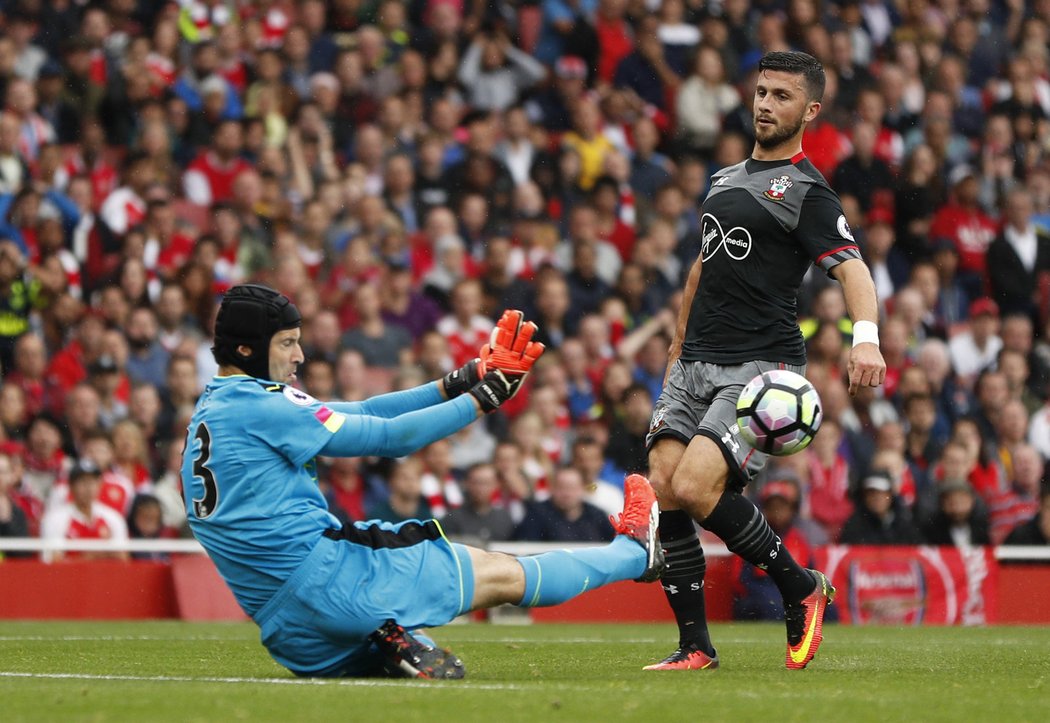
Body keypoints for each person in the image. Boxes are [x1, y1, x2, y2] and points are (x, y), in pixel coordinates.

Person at [182, 284, 665, 679]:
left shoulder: (213, 411)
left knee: (387, 602)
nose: (300, 355)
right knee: (502, 574)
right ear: (247, 349)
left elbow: (366, 410)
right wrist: (486, 397)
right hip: (333, 581)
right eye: (287, 342)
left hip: (291, 636)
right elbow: (389, 437)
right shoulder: (264, 406)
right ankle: (633, 553)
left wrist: (459, 381)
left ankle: (387, 637)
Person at [643, 52, 886, 672]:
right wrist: (674, 349)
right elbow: (704, 266)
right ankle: (695, 646)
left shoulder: (807, 191)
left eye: (781, 96)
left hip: (759, 368)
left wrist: (866, 338)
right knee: (667, 489)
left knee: (698, 486)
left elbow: (852, 266)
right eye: (760, 92)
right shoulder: (724, 180)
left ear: (808, 111)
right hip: (694, 361)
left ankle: (800, 587)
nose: (764, 104)